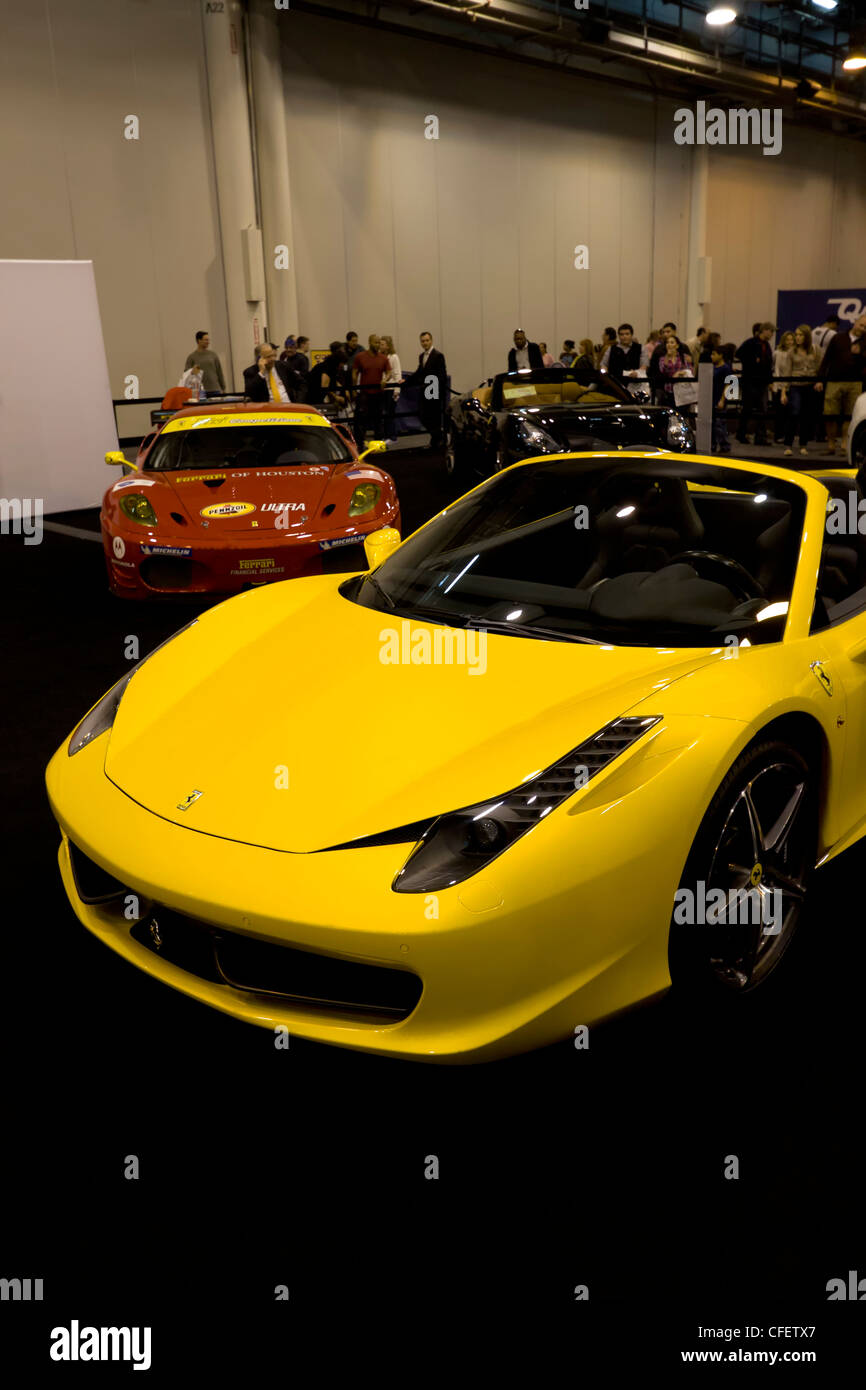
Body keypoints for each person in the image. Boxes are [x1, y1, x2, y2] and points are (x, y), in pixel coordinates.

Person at [815, 314, 866, 455]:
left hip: (855, 382)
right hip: (834, 380)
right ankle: (831, 444)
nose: (862, 329)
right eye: (861, 325)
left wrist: (861, 354)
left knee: (850, 415)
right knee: (830, 413)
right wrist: (820, 379)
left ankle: (844, 444)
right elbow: (827, 359)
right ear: (855, 322)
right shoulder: (838, 338)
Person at [778, 324, 820, 457]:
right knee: (794, 413)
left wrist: (819, 381)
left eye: (800, 335)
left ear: (806, 336)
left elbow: (820, 367)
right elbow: (787, 372)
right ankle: (788, 445)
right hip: (796, 385)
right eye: (796, 334)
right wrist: (783, 392)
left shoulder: (815, 349)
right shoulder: (792, 351)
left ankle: (803, 445)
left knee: (807, 416)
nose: (797, 337)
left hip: (810, 385)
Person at [404, 331, 448, 449]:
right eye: (423, 341)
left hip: (434, 392)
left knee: (433, 418)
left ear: (431, 341)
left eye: (427, 340)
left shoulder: (438, 356)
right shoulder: (421, 356)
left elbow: (441, 375)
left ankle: (437, 441)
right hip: (425, 392)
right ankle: (437, 438)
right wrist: (406, 382)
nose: (425, 343)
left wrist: (436, 391)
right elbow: (419, 372)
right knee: (424, 416)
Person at [735, 321, 775, 446]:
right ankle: (741, 434)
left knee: (762, 410)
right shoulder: (751, 343)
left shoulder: (766, 345)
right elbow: (739, 354)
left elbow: (768, 365)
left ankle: (760, 436)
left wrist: (769, 381)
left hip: (762, 382)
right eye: (771, 331)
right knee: (747, 409)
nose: (772, 334)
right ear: (765, 330)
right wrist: (752, 360)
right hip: (750, 381)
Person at [352, 333, 391, 447]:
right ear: (369, 343)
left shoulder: (383, 358)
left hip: (378, 394)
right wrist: (354, 388)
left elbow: (389, 371)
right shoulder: (360, 356)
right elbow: (354, 372)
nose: (378, 345)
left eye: (379, 342)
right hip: (364, 394)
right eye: (376, 342)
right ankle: (359, 444)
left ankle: (378, 444)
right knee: (361, 421)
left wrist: (385, 379)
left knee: (378, 420)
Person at [648, 322, 692, 401]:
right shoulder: (659, 349)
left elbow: (689, 367)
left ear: (674, 332)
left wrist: (680, 373)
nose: (665, 334)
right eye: (663, 332)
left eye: (668, 332)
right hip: (662, 386)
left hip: (681, 387)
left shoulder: (683, 348)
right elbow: (654, 368)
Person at [710, 341, 735, 454]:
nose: (712, 356)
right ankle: (713, 444)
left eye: (714, 354)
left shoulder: (725, 368)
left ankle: (725, 445)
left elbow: (728, 384)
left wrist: (722, 399)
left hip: (720, 398)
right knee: (713, 423)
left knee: (720, 424)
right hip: (712, 397)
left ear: (721, 355)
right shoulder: (712, 368)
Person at [306, 341, 349, 406]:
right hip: (314, 398)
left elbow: (333, 381)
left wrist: (344, 390)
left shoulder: (330, 366)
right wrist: (336, 397)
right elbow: (324, 388)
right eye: (342, 363)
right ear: (338, 362)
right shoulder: (327, 369)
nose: (343, 365)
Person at [184, 330, 226, 395]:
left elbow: (219, 372)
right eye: (206, 340)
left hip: (215, 389)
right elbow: (187, 374)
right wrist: (194, 371)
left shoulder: (213, 355)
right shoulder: (192, 357)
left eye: (208, 340)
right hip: (200, 391)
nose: (208, 342)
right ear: (199, 340)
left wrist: (223, 387)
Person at [771, 331, 795, 444]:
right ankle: (778, 435)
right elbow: (776, 369)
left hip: (790, 386)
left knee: (789, 412)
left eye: (792, 339)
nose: (790, 342)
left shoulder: (795, 353)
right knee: (779, 412)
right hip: (778, 385)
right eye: (788, 339)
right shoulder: (778, 353)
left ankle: (787, 435)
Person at [657, 332, 692, 403]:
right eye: (667, 343)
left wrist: (679, 373)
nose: (669, 344)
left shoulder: (684, 357)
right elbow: (663, 371)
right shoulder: (662, 358)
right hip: (668, 390)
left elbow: (689, 370)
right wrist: (667, 357)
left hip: (682, 391)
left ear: (677, 346)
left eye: (672, 342)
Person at [379, 333, 402, 438]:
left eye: (383, 344)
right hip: (383, 389)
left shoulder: (394, 357)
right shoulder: (380, 357)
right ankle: (386, 434)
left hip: (391, 388)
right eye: (380, 344)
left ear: (388, 345)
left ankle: (392, 435)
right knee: (384, 414)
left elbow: (397, 374)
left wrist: (397, 390)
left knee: (390, 413)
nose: (380, 346)